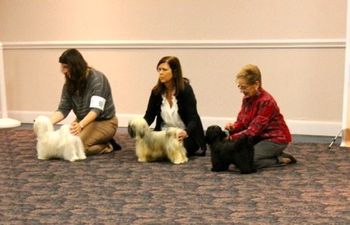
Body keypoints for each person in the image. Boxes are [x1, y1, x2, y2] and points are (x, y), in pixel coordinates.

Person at [225, 64, 296, 169]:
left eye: (244, 87)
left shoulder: (267, 101)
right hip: (259, 137)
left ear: (256, 84)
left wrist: (231, 138)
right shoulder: (247, 98)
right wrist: (233, 127)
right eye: (240, 87)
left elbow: (253, 131)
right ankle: (272, 154)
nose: (242, 91)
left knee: (248, 161)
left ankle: (280, 159)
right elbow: (242, 121)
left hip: (275, 139)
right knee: (237, 158)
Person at [50, 48, 120, 155]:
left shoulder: (97, 79)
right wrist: (46, 123)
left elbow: (96, 110)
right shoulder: (69, 83)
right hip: (82, 121)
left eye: (66, 67)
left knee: (77, 148)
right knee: (62, 145)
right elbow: (63, 109)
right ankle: (94, 139)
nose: (62, 71)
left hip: (105, 122)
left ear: (76, 67)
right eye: (62, 66)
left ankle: (107, 146)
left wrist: (80, 125)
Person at [144, 56, 207, 156]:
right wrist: (140, 127)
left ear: (175, 72)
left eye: (164, 70)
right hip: (164, 134)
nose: (160, 73)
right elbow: (149, 116)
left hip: (184, 135)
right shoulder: (156, 92)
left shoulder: (186, 90)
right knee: (149, 148)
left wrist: (186, 132)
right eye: (159, 70)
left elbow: (193, 119)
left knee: (174, 148)